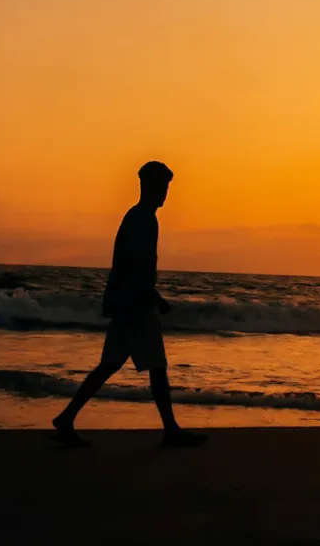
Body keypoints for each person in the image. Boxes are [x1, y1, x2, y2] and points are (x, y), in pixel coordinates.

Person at [51, 161, 207, 448]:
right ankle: (171, 430)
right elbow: (135, 265)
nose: (164, 193)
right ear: (148, 186)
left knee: (110, 365)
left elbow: (126, 265)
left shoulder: (137, 217)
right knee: (156, 367)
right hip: (136, 305)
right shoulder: (143, 219)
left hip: (128, 302)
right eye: (161, 186)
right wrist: (152, 297)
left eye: (166, 187)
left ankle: (67, 417)